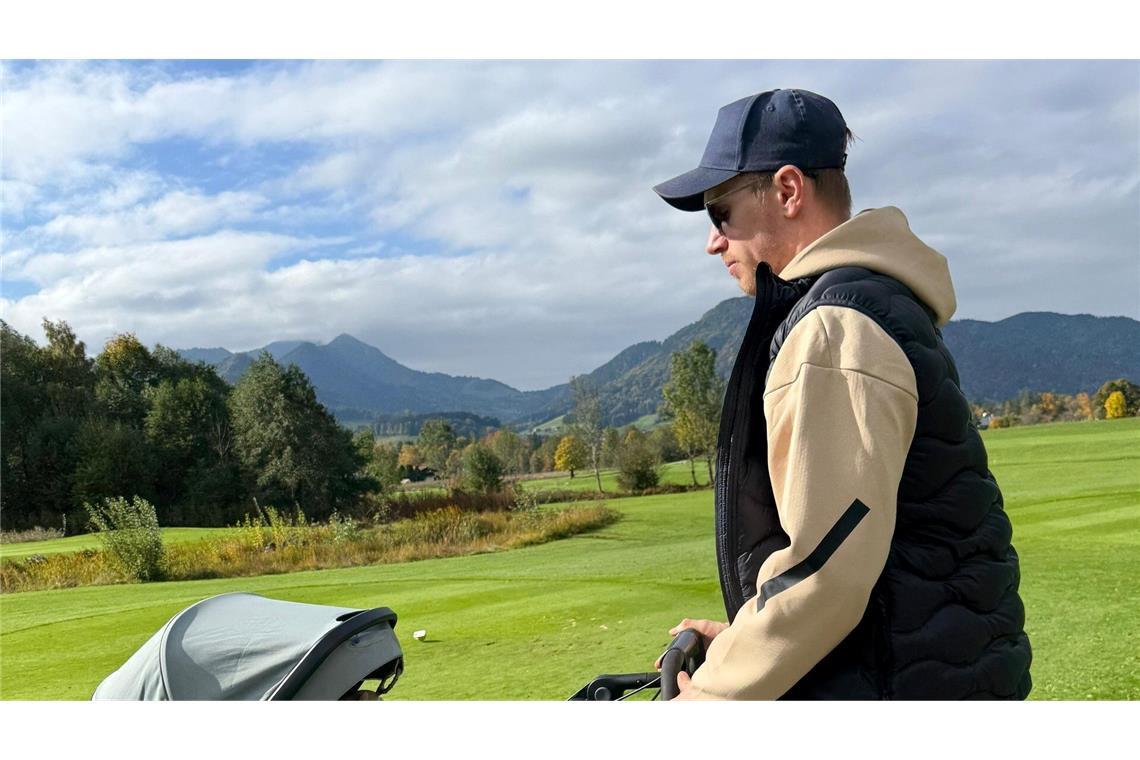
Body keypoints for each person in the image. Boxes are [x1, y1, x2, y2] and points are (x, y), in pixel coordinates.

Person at [651, 89, 1032, 700]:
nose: (712, 242)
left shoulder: (835, 327)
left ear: (788, 190)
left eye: (719, 213)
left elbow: (823, 577)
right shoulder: (882, 303)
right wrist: (742, 641)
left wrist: (714, 696)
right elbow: (868, 553)